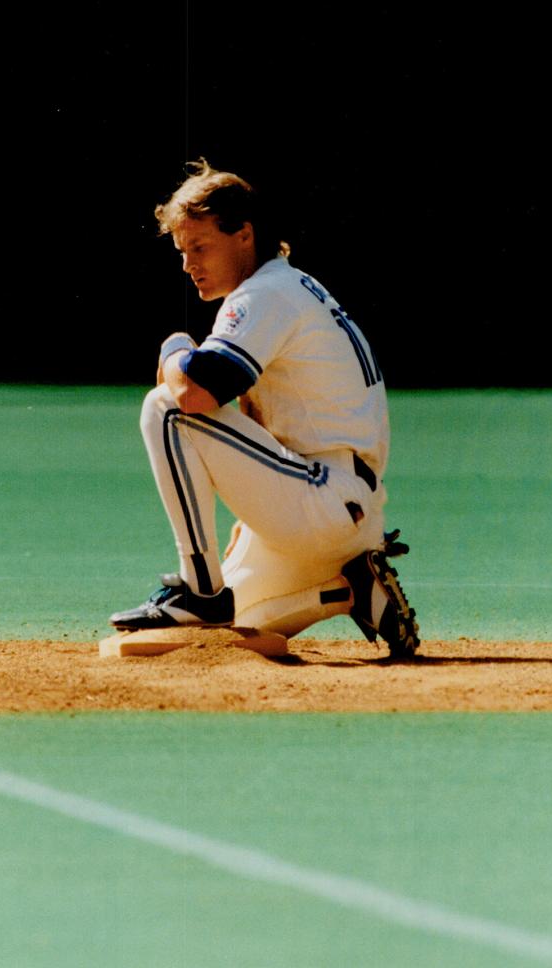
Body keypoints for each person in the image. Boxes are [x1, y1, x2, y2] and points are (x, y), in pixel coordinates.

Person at [109, 159, 419, 656]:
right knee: (242, 624)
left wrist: (172, 346)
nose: (189, 263)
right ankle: (353, 587)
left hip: (322, 498)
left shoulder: (263, 295)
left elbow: (195, 394)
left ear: (244, 235)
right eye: (182, 251)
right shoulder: (290, 286)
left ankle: (200, 591)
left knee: (166, 407)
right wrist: (257, 513)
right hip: (340, 507)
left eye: (200, 246)